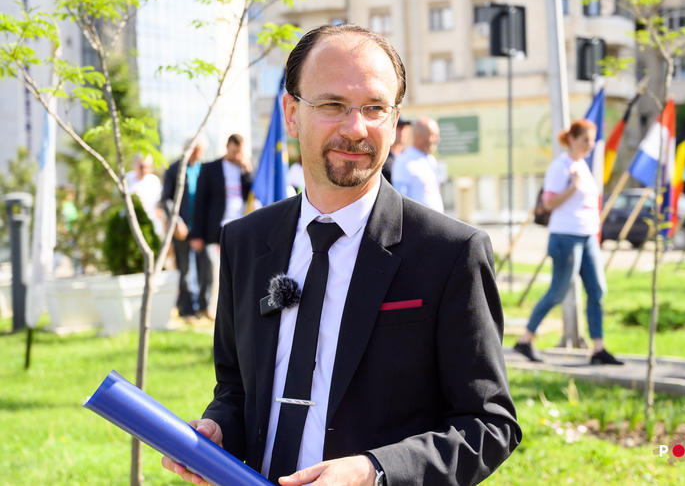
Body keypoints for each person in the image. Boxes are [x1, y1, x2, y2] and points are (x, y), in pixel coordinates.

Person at [162, 24, 520, 486]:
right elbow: (235, 388)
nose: (355, 128)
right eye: (332, 105)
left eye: (375, 108)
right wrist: (218, 429)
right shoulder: (244, 243)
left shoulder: (451, 254)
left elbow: (489, 425)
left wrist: (375, 471)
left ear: (394, 119)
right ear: (292, 114)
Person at [513, 119, 623, 366]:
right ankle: (525, 339)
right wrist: (573, 187)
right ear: (572, 139)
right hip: (565, 237)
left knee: (597, 290)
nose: (590, 145)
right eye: (586, 140)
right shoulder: (560, 167)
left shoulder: (582, 165)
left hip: (587, 236)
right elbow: (548, 204)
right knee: (558, 292)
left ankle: (598, 349)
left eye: (592, 141)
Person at [189, 133, 253, 317]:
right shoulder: (210, 168)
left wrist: (247, 171)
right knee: (210, 267)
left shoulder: (244, 169)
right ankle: (205, 305)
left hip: (239, 225)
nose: (236, 156)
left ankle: (235, 306)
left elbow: (252, 194)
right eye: (234, 152)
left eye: (239, 152)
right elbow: (199, 203)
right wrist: (196, 234)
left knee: (238, 269)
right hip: (215, 227)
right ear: (227, 148)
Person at [160, 137, 211, 319]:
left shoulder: (204, 169)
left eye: (201, 150)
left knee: (206, 265)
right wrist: (176, 221)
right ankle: (186, 309)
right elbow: (166, 199)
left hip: (200, 228)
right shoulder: (174, 169)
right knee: (185, 270)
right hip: (181, 227)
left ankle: (203, 306)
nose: (199, 154)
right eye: (196, 150)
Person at [391, 116, 444, 212]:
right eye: (433, 135)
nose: (437, 139)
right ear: (419, 137)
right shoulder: (404, 162)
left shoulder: (431, 160)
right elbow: (401, 202)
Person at [125, 153, 163, 236]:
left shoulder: (154, 180)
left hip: (151, 221)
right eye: (141, 166)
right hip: (130, 222)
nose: (144, 170)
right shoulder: (126, 179)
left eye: (148, 167)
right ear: (134, 165)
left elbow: (160, 201)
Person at [380, 115, 411, 183]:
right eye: (399, 128)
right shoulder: (383, 157)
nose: (402, 132)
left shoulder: (409, 155)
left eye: (404, 128)